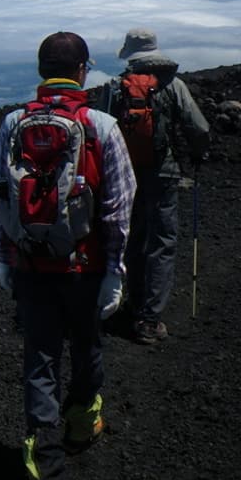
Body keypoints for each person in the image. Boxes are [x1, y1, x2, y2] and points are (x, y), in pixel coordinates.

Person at [0, 32, 137, 480]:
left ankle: (46, 467)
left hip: (30, 265)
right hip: (85, 267)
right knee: (87, 346)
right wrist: (115, 272)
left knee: (40, 359)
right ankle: (80, 423)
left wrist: (6, 258)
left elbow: (3, 197)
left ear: (41, 71)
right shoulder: (100, 125)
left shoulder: (12, 123)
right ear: (82, 71)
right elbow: (118, 208)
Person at [99, 28, 210, 345]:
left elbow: (101, 130)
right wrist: (198, 154)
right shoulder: (173, 85)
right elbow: (198, 128)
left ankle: (132, 303)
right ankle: (149, 319)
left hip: (125, 176)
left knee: (132, 238)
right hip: (164, 173)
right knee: (162, 241)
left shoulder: (116, 87)